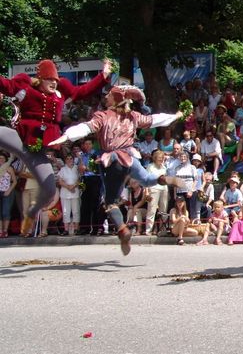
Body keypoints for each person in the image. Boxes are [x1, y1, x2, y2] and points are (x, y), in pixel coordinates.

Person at [48, 85, 185, 255]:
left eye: (109, 95)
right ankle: (166, 179)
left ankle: (122, 230)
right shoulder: (132, 116)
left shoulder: (103, 116)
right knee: (147, 179)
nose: (105, 97)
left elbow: (86, 128)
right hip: (130, 157)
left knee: (110, 202)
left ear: (115, 99)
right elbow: (155, 120)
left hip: (113, 160)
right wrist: (176, 116)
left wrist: (66, 136)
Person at [0, 59, 111, 236]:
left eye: (56, 80)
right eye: (49, 80)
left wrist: (103, 76)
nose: (53, 83)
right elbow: (4, 84)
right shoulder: (26, 88)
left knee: (50, 188)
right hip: (21, 139)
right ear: (40, 79)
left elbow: (81, 91)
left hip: (37, 152)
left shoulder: (60, 94)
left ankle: (30, 215)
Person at [145, 150, 169, 235]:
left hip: (164, 189)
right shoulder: (150, 166)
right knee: (151, 210)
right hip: (153, 189)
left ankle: (163, 229)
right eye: (159, 158)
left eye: (162, 158)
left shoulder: (164, 167)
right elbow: (146, 180)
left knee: (163, 210)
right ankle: (148, 230)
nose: (161, 159)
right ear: (155, 158)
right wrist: (146, 191)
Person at [57, 154, 81, 236]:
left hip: (75, 192)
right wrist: (68, 187)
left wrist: (73, 186)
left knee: (76, 211)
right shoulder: (63, 169)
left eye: (71, 158)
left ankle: (76, 229)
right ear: (65, 160)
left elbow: (79, 179)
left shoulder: (76, 168)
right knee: (65, 212)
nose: (69, 160)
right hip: (65, 193)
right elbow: (60, 181)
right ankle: (66, 229)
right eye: (68, 159)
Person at [0, 154, 17, 238]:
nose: (1, 159)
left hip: (7, 191)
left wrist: (9, 190)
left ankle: (5, 230)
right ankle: (0, 231)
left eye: (2, 158)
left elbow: (14, 181)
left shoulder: (9, 168)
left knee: (5, 212)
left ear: (5, 159)